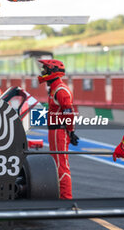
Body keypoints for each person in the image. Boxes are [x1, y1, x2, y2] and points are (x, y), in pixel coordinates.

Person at [38, 59, 79, 199]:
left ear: (53, 72)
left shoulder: (61, 90)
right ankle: (60, 196)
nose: (43, 73)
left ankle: (66, 198)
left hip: (59, 132)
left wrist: (71, 131)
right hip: (55, 131)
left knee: (61, 165)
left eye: (45, 70)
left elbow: (69, 112)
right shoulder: (55, 89)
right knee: (57, 164)